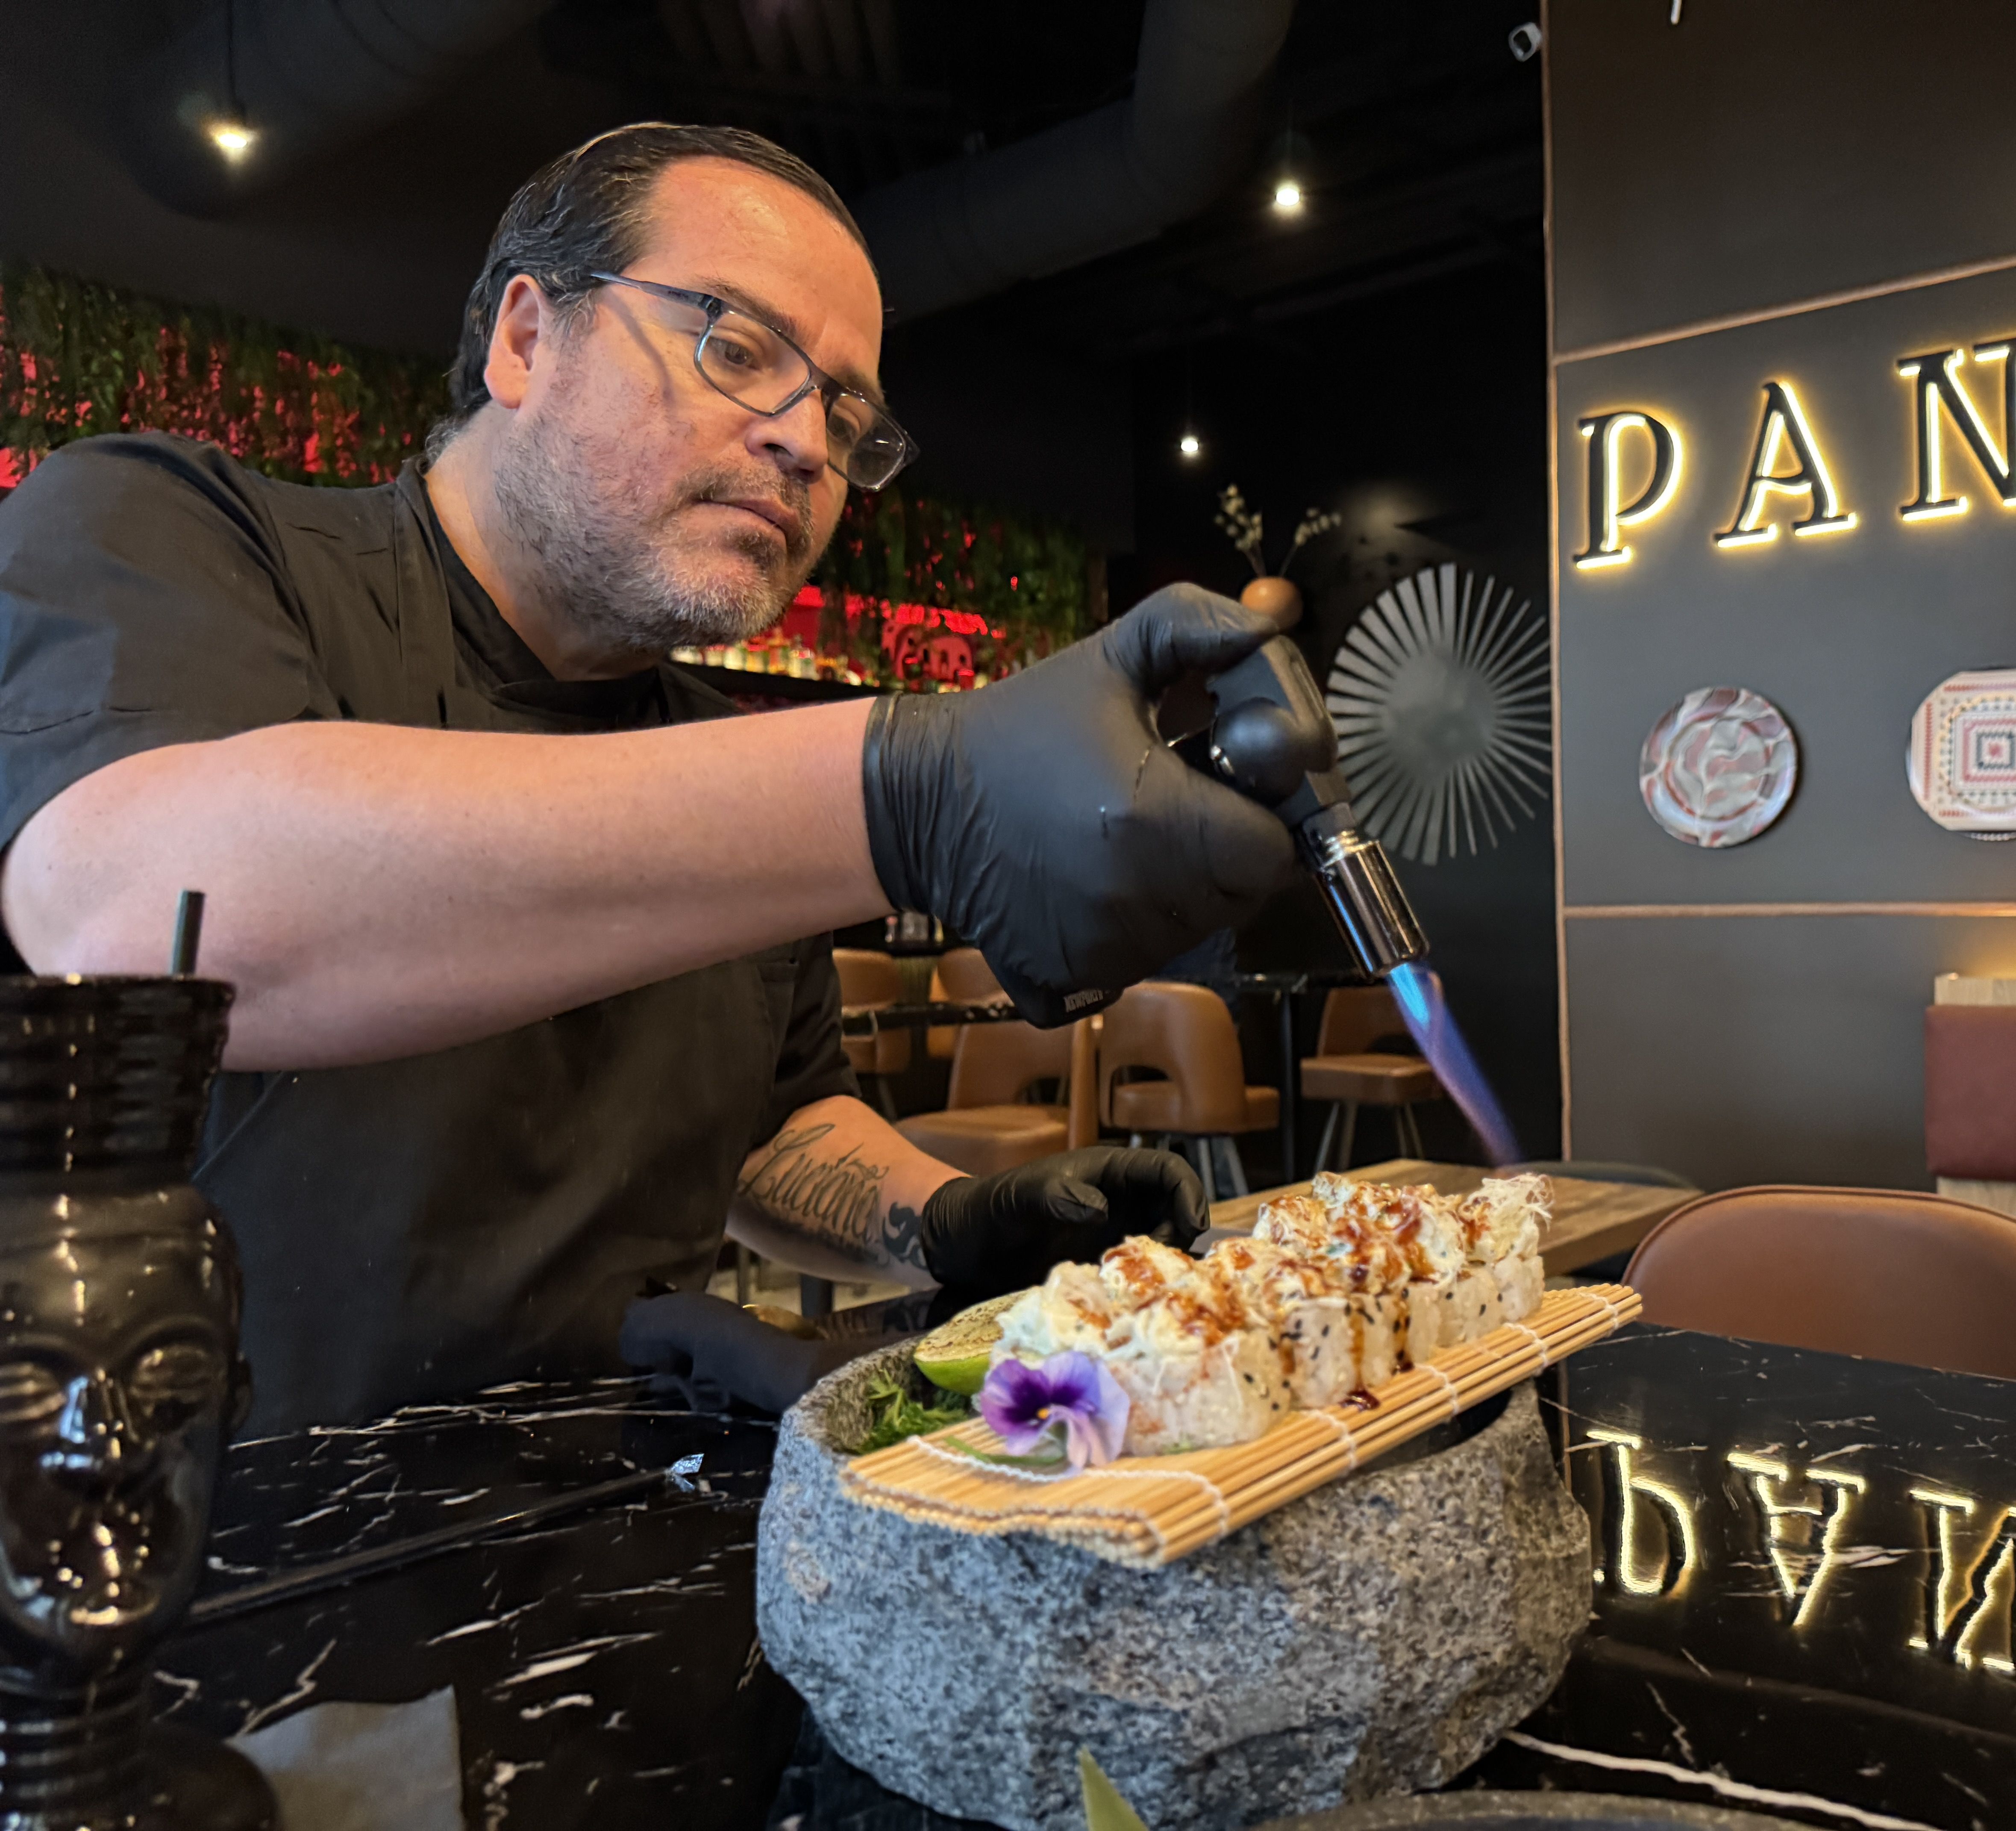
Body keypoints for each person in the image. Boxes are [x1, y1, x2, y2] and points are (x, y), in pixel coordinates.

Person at [0, 124, 1302, 1434]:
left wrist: (946, 1220)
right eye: (736, 348)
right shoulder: (166, 534)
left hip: (612, 1540)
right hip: (205, 1563)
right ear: (524, 338)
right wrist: (896, 784)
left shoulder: (711, 743)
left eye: (847, 413)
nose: (808, 444)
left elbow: (776, 1129)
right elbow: (137, 916)